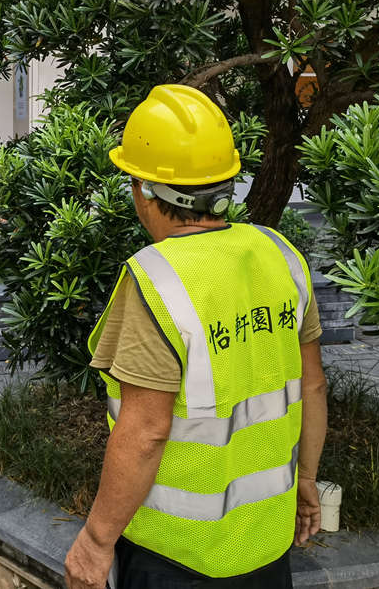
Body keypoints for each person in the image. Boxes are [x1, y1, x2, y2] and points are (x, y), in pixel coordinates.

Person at [64, 84, 328, 589]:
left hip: (176, 557)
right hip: (267, 543)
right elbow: (312, 387)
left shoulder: (154, 280)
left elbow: (145, 433)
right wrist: (307, 482)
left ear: (144, 190)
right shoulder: (280, 254)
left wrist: (96, 541)